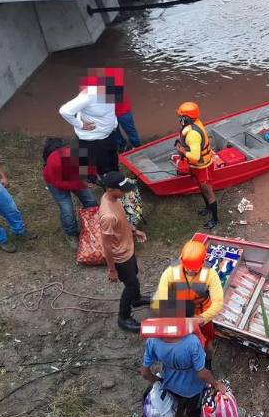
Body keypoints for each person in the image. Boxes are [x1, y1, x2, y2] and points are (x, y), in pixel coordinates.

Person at [139, 326, 227, 417]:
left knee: (177, 407)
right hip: (192, 389)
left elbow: (144, 372)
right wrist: (216, 383)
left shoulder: (152, 339)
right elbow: (201, 373)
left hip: (169, 384)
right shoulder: (191, 341)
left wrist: (157, 381)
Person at [151, 240, 224, 368]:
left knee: (208, 346)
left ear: (203, 262)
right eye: (188, 269)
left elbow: (218, 302)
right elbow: (160, 298)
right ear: (182, 261)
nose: (191, 272)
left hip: (202, 316)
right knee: (182, 346)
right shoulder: (170, 272)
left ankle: (208, 363)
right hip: (180, 315)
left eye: (195, 270)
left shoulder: (210, 275)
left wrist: (202, 318)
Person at [98, 171, 148, 332]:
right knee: (130, 285)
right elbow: (106, 245)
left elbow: (123, 221)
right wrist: (112, 270)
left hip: (128, 247)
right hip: (120, 257)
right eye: (123, 189)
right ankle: (124, 317)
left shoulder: (114, 198)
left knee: (134, 275)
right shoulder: (107, 216)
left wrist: (134, 230)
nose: (126, 191)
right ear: (111, 189)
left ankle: (136, 299)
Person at [59, 72, 119, 181]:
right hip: (94, 138)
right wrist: (81, 125)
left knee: (113, 159)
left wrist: (113, 123)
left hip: (109, 134)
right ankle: (102, 182)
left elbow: (109, 111)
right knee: (100, 164)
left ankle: (116, 178)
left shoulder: (111, 91)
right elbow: (64, 111)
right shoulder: (87, 96)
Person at [42, 137, 98, 247]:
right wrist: (84, 184)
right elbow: (61, 185)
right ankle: (71, 233)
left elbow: (90, 172)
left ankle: (93, 225)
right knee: (67, 208)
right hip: (56, 183)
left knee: (91, 201)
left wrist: (91, 180)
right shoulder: (55, 164)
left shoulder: (81, 156)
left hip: (72, 177)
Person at [174, 102, 218, 229]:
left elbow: (195, 156)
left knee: (208, 191)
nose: (179, 119)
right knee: (201, 188)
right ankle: (208, 208)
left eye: (180, 116)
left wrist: (182, 151)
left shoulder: (193, 134)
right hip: (197, 165)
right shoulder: (193, 123)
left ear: (187, 118)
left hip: (202, 166)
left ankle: (215, 219)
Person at [105, 67, 142, 151]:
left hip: (123, 113)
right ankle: (122, 145)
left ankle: (136, 146)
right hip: (112, 114)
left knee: (130, 130)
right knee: (115, 132)